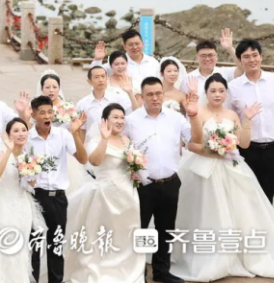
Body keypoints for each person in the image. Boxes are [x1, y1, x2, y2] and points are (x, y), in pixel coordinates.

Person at [172, 73, 274, 280]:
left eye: (221, 91)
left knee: (240, 210)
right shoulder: (198, 112)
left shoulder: (231, 114)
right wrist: (213, 150)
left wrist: (247, 119)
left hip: (231, 166)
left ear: (226, 93)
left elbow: (243, 143)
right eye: (213, 91)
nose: (217, 94)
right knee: (208, 212)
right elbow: (192, 144)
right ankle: (210, 256)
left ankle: (240, 254)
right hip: (204, 169)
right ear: (206, 93)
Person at [124, 76, 194, 283]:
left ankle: (162, 272)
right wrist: (129, 168)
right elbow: (122, 147)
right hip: (144, 185)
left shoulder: (175, 118)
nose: (154, 98)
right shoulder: (131, 120)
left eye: (158, 93)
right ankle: (139, 274)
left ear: (163, 94)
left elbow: (193, 139)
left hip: (170, 182)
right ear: (141, 96)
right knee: (142, 230)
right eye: (150, 95)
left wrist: (194, 115)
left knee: (166, 228)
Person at [64, 105, 144, 283]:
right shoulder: (97, 140)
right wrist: (105, 139)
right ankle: (101, 271)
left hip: (128, 194)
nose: (120, 121)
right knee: (104, 233)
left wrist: (134, 170)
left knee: (126, 233)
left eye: (122, 117)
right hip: (106, 195)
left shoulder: (125, 139)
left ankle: (127, 270)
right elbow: (94, 161)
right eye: (115, 117)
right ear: (105, 121)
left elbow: (129, 162)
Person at [28, 96, 88, 283]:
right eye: (42, 113)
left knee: (56, 244)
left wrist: (75, 134)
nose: (47, 116)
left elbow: (83, 159)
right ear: (33, 115)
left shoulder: (63, 135)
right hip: (35, 197)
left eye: (50, 112)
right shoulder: (27, 138)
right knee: (35, 244)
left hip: (58, 198)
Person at [229, 39, 274, 203]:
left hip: (273, 150)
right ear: (240, 60)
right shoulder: (234, 87)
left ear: (261, 56)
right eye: (246, 56)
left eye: (255, 55)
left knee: (267, 197)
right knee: (246, 199)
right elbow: (228, 118)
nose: (252, 60)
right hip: (246, 151)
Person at [0, 117, 45, 283]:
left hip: (23, 204)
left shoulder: (28, 156)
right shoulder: (0, 153)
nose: (21, 134)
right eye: (16, 131)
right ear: (8, 135)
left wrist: (30, 174)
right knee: (7, 245)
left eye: (24, 130)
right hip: (5, 204)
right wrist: (8, 151)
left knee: (22, 246)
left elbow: (32, 184)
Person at [181, 30, 244, 104]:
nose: (207, 59)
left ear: (216, 56)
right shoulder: (188, 78)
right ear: (197, 57)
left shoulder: (225, 73)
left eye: (210, 55)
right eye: (203, 56)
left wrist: (230, 49)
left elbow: (243, 69)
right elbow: (183, 103)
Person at [77, 66, 132, 143]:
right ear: (89, 81)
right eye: (96, 77)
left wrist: (130, 93)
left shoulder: (117, 99)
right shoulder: (82, 104)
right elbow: (82, 129)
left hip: (114, 143)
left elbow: (132, 114)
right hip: (92, 143)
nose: (101, 80)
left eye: (103, 76)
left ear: (107, 79)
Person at [92, 30, 161, 85]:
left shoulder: (153, 62)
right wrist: (98, 60)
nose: (135, 47)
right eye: (131, 44)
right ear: (124, 47)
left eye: (137, 44)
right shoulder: (119, 62)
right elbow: (96, 74)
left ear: (142, 44)